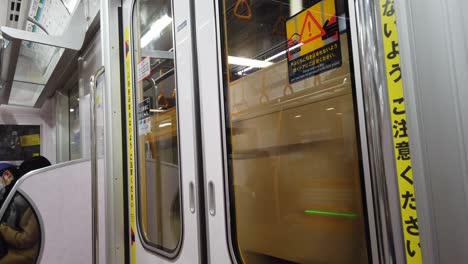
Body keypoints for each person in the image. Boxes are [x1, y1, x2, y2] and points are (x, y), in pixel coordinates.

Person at [0, 156, 51, 264]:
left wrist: (2, 228)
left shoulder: (36, 204)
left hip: (24, 256)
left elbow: (25, 239)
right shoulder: (28, 199)